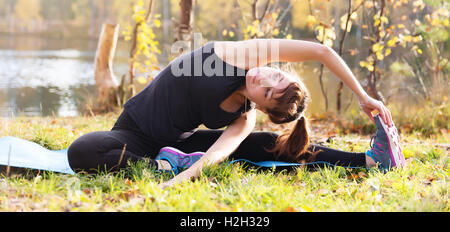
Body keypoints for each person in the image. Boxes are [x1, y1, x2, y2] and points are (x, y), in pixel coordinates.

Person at [67, 38, 404, 188]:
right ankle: (159, 163)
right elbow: (321, 51)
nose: (264, 79)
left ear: (261, 105)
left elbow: (213, 157)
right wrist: (363, 96)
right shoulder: (245, 55)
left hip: (174, 145)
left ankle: (370, 161)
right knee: (83, 150)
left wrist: (178, 180)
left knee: (265, 144)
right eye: (275, 75)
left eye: (268, 93)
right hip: (134, 132)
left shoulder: (245, 116)